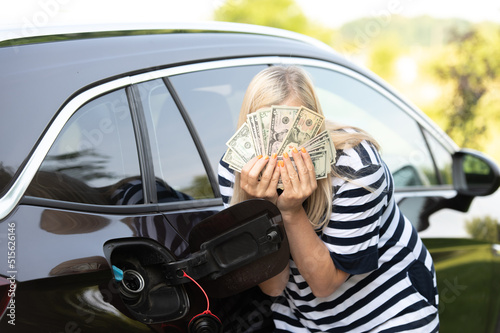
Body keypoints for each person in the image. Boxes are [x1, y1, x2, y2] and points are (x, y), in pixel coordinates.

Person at [218, 66, 439, 332]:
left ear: (314, 126)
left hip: (391, 312)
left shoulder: (355, 169)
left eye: (291, 131)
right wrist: (262, 213)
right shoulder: (236, 172)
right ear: (250, 133)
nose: (278, 149)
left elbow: (325, 283)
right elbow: (274, 287)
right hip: (307, 320)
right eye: (267, 133)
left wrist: (290, 211)